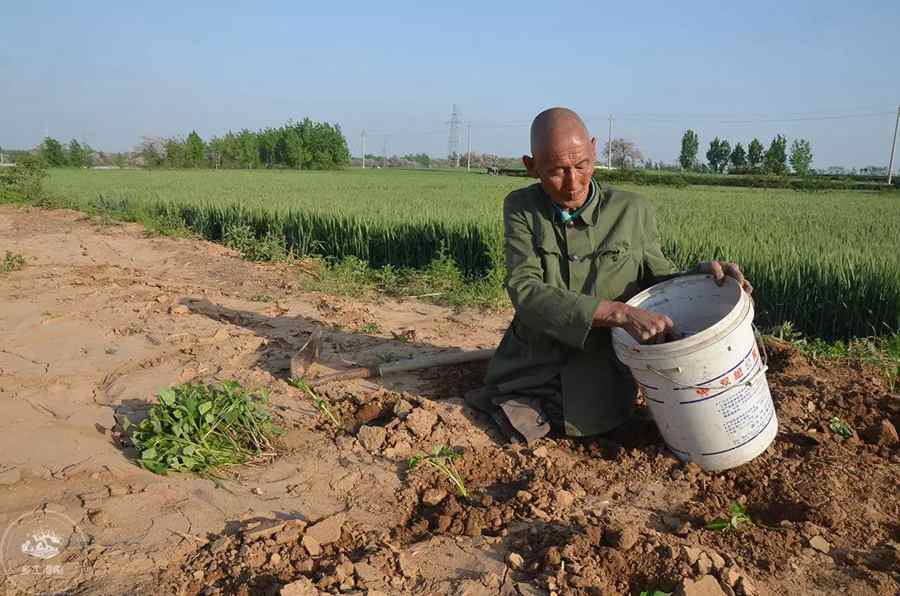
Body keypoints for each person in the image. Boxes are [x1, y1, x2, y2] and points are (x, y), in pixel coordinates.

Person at [466, 107, 752, 443]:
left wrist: (703, 277)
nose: (573, 183)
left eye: (582, 165)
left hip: (604, 381)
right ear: (531, 166)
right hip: (532, 371)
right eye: (557, 171)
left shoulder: (631, 209)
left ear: (594, 150)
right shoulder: (523, 208)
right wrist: (617, 312)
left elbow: (658, 285)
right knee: (509, 427)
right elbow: (525, 289)